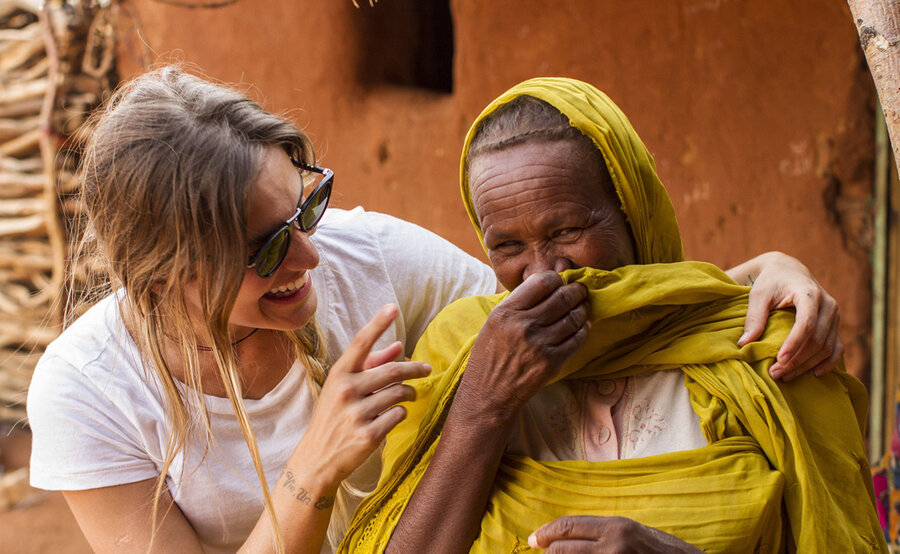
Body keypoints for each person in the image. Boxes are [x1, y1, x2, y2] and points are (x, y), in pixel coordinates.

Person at [26, 67, 843, 554]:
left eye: (303, 211)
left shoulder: (372, 258)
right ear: (162, 280)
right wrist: (314, 469)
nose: (311, 257)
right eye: (264, 252)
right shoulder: (89, 391)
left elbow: (578, 309)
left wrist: (756, 275)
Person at [341, 78, 885, 553]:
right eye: (506, 245)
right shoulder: (460, 356)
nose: (542, 274)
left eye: (567, 232)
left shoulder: (761, 347)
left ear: (634, 212)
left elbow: (839, 534)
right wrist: (485, 401)